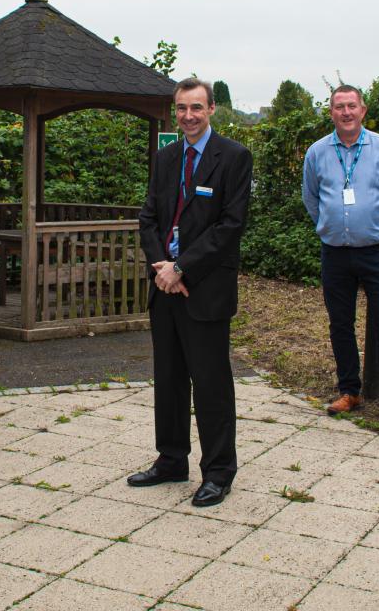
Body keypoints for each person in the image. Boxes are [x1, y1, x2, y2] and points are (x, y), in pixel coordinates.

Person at [132, 77, 253, 508]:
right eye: (182, 108)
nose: (188, 116)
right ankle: (171, 460)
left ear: (212, 109)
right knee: (168, 379)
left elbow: (230, 226)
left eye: (196, 108)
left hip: (205, 289)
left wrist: (182, 268)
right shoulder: (166, 158)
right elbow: (148, 218)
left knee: (211, 384)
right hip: (166, 286)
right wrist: (164, 268)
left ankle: (219, 472)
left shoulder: (234, 157)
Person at [301, 85, 379, 426]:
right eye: (339, 107)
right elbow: (312, 199)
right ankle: (349, 391)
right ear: (331, 113)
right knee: (340, 323)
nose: (346, 112)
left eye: (352, 106)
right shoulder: (317, 152)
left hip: (377, 252)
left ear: (363, 110)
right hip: (335, 252)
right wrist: (331, 223)